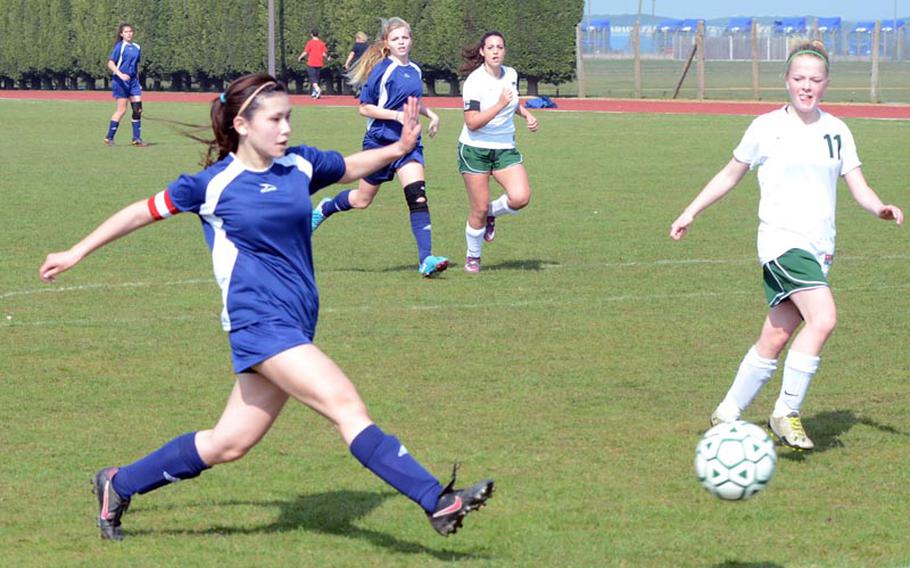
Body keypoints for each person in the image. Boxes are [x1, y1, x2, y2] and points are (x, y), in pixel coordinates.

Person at [39, 73, 493, 541]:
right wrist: (76, 252)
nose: (285, 129)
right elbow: (140, 211)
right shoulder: (213, 185)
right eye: (275, 119)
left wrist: (399, 150)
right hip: (258, 324)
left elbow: (351, 165)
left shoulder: (299, 166)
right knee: (346, 407)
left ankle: (119, 483)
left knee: (228, 443)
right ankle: (437, 499)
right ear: (242, 124)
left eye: (288, 118)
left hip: (295, 322)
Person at [669, 40, 904, 450]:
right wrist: (691, 211)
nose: (806, 87)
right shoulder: (766, 127)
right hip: (782, 243)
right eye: (799, 79)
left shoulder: (837, 131)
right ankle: (786, 411)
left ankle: (726, 414)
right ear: (786, 82)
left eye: (815, 80)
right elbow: (729, 175)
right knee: (824, 318)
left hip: (820, 249)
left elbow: (859, 187)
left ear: (826, 83)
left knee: (775, 337)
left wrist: (880, 208)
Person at [310, 17, 449, 278]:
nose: (401, 43)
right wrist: (396, 116)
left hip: (409, 145)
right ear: (387, 43)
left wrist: (433, 116)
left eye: (405, 38)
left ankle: (426, 259)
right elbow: (365, 107)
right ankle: (326, 208)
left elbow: (414, 102)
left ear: (411, 40)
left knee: (418, 196)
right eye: (396, 39)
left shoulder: (416, 70)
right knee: (362, 200)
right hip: (380, 143)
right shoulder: (382, 70)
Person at [457, 31, 539, 273]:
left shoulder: (511, 74)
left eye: (499, 47)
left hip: (504, 149)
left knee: (521, 197)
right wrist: (500, 104)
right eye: (490, 47)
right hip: (475, 150)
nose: (495, 51)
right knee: (478, 209)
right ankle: (473, 257)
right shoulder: (474, 82)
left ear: (504, 51)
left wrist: (526, 114)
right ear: (482, 52)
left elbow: (512, 102)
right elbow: (472, 122)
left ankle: (492, 213)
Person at [104, 23, 148, 147]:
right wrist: (120, 74)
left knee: (138, 109)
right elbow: (111, 63)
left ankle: (136, 139)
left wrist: (138, 83)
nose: (129, 34)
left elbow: (135, 67)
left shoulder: (137, 47)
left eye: (130, 31)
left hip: (133, 82)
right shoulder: (120, 47)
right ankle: (109, 137)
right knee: (122, 110)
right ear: (121, 34)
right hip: (120, 82)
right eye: (126, 32)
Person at [297, 29, 329, 99]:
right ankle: (314, 93)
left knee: (312, 78)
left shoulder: (310, 43)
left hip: (311, 63)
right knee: (316, 78)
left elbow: (305, 52)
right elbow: (324, 53)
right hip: (319, 63)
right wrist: (327, 58)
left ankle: (317, 89)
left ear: (311, 34)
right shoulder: (321, 43)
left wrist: (300, 57)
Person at [344, 31, 369, 98]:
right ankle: (362, 89)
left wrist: (347, 63)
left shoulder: (356, 45)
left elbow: (352, 54)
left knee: (355, 76)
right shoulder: (367, 46)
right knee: (363, 77)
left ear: (358, 38)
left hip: (356, 63)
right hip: (364, 63)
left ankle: (357, 89)